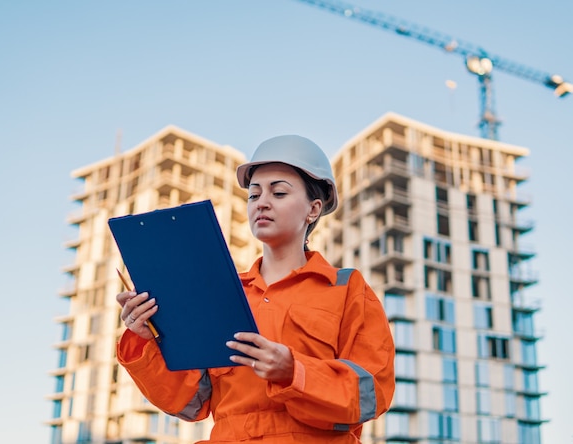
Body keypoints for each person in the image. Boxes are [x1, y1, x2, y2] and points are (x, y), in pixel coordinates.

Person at [116, 135, 395, 443]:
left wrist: (294, 371)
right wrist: (147, 340)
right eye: (254, 194)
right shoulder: (221, 293)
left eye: (278, 192)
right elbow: (190, 402)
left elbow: (373, 393)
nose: (262, 202)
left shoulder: (346, 289)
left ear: (313, 210)